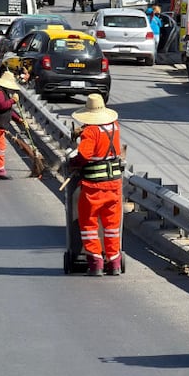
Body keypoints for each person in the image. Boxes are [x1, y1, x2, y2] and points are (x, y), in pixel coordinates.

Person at [69, 94, 125, 276]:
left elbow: (84, 155)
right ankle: (114, 261)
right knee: (111, 225)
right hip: (114, 185)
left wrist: (74, 162)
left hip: (93, 187)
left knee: (89, 224)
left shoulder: (90, 132)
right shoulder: (114, 127)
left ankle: (96, 263)